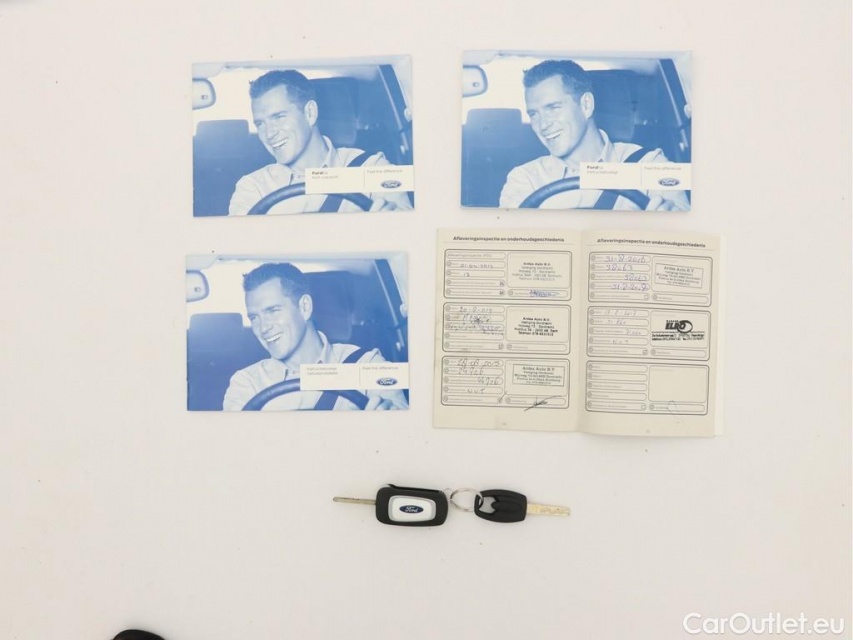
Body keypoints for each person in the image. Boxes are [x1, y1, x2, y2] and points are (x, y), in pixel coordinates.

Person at [499, 59, 690, 211]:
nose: (542, 125)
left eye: (553, 108)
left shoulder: (650, 164)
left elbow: (684, 229)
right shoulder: (525, 179)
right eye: (534, 114)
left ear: (586, 105)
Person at [223, 263, 408, 411]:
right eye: (254, 318)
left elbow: (405, 432)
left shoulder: (367, 364)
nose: (263, 328)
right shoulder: (247, 382)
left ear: (304, 307)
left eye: (273, 311)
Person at [229, 70, 413, 215]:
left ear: (310, 113)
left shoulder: (372, 167)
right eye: (260, 124)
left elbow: (409, 234)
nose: (269, 133)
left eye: (279, 117)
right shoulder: (253, 187)